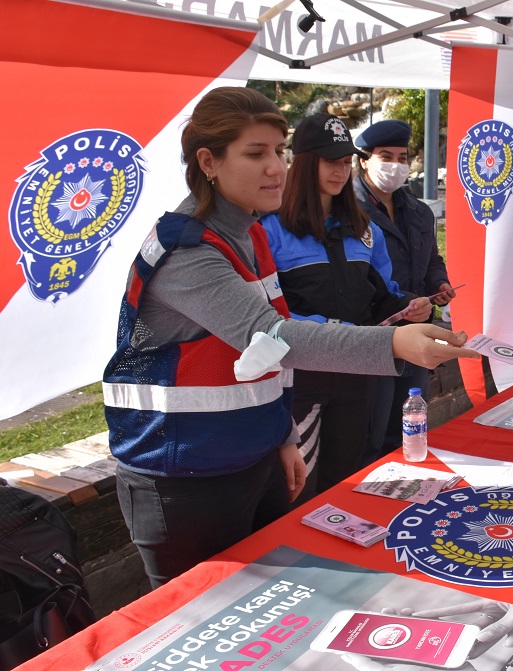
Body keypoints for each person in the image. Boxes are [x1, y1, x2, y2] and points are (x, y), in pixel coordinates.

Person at [102, 88, 478, 588]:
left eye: (278, 151)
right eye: (256, 154)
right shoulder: (187, 249)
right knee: (204, 624)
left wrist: (278, 433)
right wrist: (393, 344)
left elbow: (263, 361)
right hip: (183, 476)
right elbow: (273, 337)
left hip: (251, 457)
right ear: (208, 162)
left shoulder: (250, 232)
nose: (276, 168)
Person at [260, 113, 431, 496]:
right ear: (303, 163)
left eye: (344, 162)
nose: (340, 171)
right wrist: (332, 330)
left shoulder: (364, 229)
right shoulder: (270, 230)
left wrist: (410, 306)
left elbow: (383, 295)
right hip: (300, 379)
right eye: (329, 161)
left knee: (349, 477)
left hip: (358, 375)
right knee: (297, 489)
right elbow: (265, 314)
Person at [352, 120, 454, 462]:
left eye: (402, 157)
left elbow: (431, 257)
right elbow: (353, 276)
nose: (395, 165)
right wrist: (405, 302)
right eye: (385, 156)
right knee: (372, 428)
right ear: (364, 160)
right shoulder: (348, 210)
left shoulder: (419, 211)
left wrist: (438, 284)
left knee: (410, 422)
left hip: (417, 330)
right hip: (373, 332)